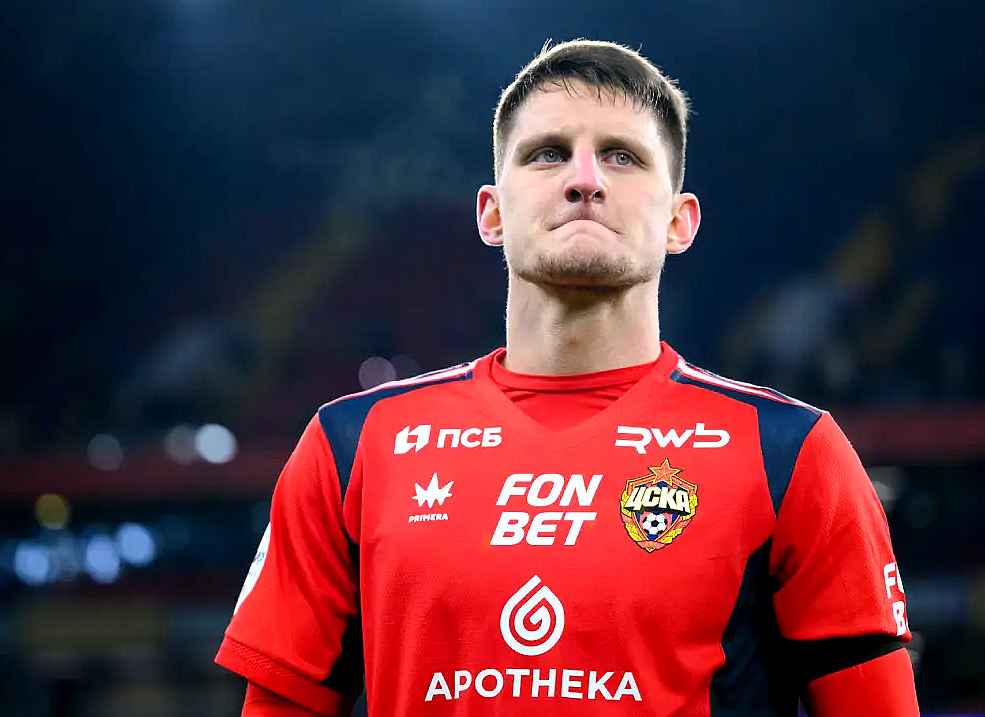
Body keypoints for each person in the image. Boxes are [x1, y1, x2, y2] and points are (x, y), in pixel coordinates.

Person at [216, 39, 920, 716]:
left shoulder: (791, 454)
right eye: (548, 154)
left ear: (679, 222)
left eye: (622, 156)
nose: (585, 180)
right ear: (492, 213)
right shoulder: (352, 446)